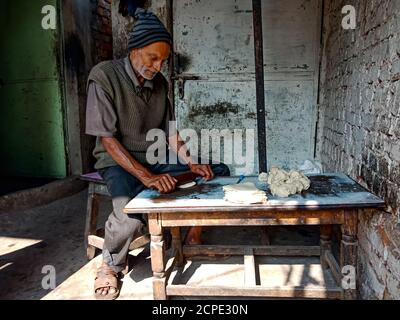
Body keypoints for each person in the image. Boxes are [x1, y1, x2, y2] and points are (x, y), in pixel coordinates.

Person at [85, 8, 230, 300]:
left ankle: (192, 232)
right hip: (116, 160)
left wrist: (192, 162)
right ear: (134, 50)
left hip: (152, 158)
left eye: (163, 60)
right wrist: (147, 177)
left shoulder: (160, 84)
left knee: (218, 171)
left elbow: (172, 132)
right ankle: (110, 266)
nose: (158, 65)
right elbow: (108, 140)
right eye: (153, 58)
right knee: (130, 210)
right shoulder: (104, 75)